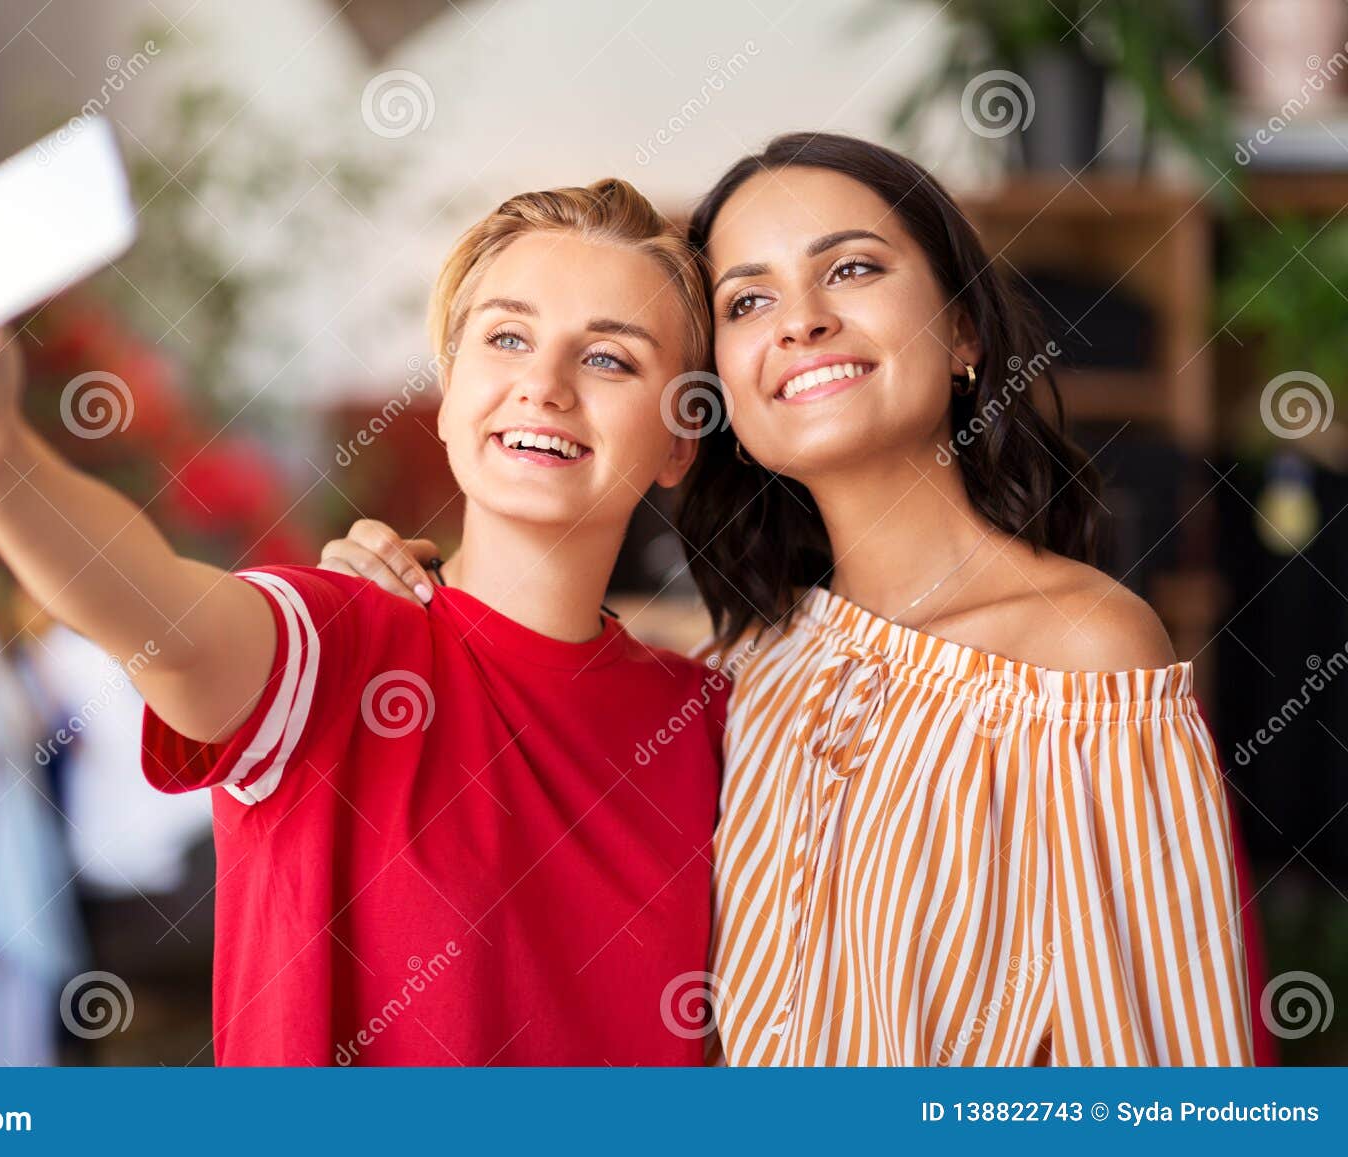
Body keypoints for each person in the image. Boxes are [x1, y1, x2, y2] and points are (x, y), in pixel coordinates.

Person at [326, 133, 1254, 1066]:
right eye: (750, 300)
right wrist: (391, 609)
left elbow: (1180, 1080)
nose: (800, 322)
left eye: (850, 268)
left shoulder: (1081, 658)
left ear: (964, 328)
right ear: (715, 389)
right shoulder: (742, 670)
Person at [0, 178, 725, 1065]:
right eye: (507, 337)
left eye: (610, 358)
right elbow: (159, 612)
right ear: (452, 384)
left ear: (680, 436)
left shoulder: (715, 724)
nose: (543, 385)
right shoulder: (339, 641)